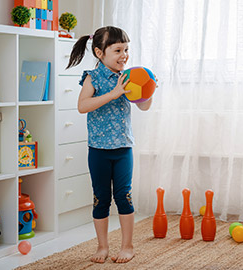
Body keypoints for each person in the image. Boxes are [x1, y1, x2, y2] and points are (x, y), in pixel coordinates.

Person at [67, 26, 154, 264]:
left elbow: (143, 106)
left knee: (124, 197)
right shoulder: (92, 78)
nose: (124, 55)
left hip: (123, 148)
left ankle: (128, 246)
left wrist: (150, 90)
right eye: (117, 50)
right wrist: (114, 93)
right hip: (98, 151)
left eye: (126, 49)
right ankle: (102, 246)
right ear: (99, 52)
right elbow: (83, 106)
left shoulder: (129, 77)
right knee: (100, 198)